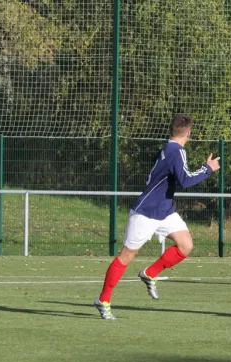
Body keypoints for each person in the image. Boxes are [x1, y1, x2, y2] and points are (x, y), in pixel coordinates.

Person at [94, 114, 220, 320]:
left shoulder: (168, 148)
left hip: (165, 211)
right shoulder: (176, 151)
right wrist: (208, 169)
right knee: (126, 256)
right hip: (146, 213)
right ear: (188, 133)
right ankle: (103, 300)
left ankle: (150, 273)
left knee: (185, 245)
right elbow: (185, 181)